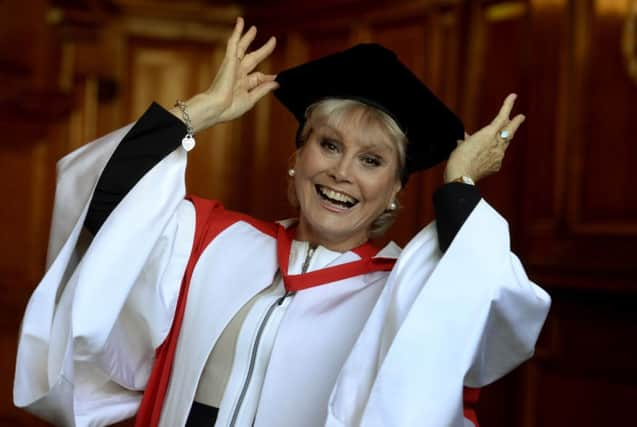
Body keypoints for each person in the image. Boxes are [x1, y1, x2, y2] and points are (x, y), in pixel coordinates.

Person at [13, 17, 550, 427]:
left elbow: (491, 317)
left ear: (395, 190)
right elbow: (104, 208)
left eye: (372, 160)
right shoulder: (208, 241)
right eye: (329, 145)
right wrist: (196, 111)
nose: (342, 172)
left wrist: (459, 185)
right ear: (297, 159)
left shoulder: (405, 296)